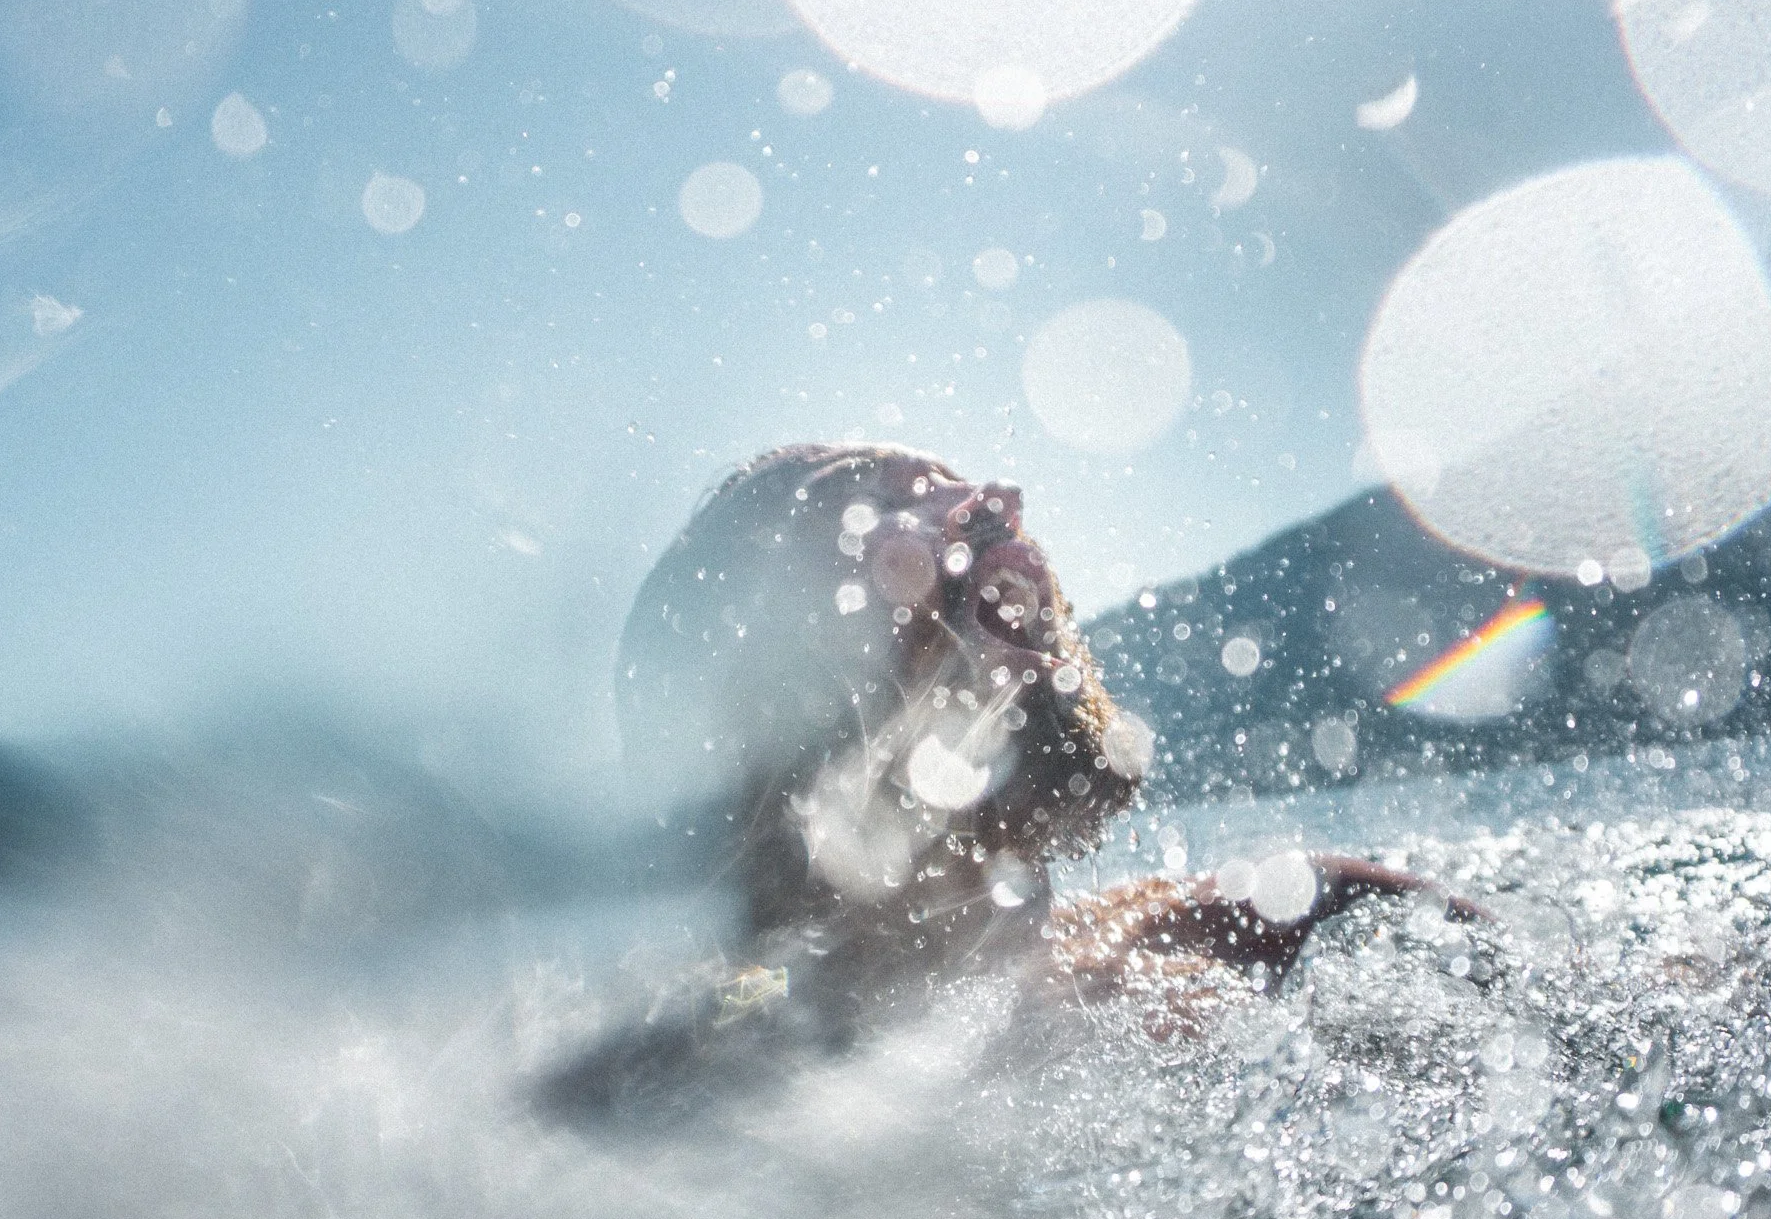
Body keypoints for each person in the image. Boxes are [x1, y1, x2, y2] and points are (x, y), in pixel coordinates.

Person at [544, 443, 1480, 1120]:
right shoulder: (675, 1106)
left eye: (950, 479)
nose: (995, 500)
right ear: (770, 702)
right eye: (875, 512)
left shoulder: (1294, 917)